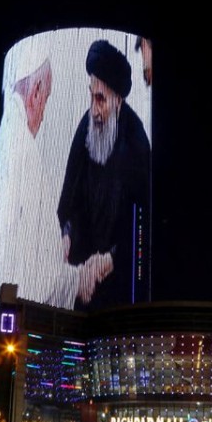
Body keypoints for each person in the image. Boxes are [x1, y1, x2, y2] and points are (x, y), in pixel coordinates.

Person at [0, 40, 113, 316]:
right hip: (22, 323)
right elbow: (36, 281)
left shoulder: (10, 139)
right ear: (36, 92)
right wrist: (77, 275)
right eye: (47, 98)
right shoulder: (23, 150)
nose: (42, 116)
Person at [57, 39, 152, 311]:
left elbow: (141, 228)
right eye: (92, 96)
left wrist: (110, 258)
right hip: (80, 278)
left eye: (101, 99)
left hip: (116, 288)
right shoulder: (84, 128)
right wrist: (66, 235)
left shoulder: (137, 142)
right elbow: (70, 204)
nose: (95, 110)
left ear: (118, 100)